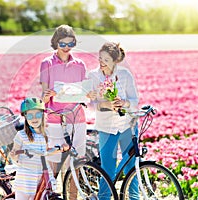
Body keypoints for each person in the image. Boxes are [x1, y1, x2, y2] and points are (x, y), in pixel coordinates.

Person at [40, 24, 95, 175]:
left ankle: (73, 197)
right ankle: (51, 195)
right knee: (54, 160)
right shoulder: (47, 63)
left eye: (70, 44)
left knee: (77, 161)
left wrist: (89, 95)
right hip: (55, 118)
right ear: (55, 43)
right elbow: (43, 98)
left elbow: (84, 92)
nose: (66, 47)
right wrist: (46, 95)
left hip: (77, 118)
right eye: (62, 44)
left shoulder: (80, 65)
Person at [87, 42, 139, 199]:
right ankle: (104, 197)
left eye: (106, 60)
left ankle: (134, 197)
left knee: (131, 166)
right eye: (100, 58)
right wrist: (105, 104)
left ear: (115, 61)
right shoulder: (93, 76)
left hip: (127, 126)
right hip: (106, 128)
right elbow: (90, 105)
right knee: (107, 168)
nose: (101, 62)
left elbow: (135, 100)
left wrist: (124, 103)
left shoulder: (125, 75)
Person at [10, 97, 68, 200]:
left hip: (41, 175)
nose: (34, 119)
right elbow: (15, 154)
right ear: (25, 117)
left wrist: (60, 149)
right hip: (26, 177)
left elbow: (45, 152)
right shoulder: (21, 135)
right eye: (30, 116)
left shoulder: (45, 134)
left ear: (43, 116)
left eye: (38, 115)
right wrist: (15, 155)